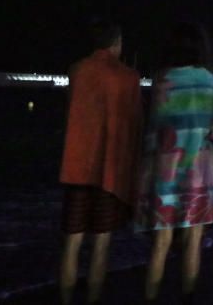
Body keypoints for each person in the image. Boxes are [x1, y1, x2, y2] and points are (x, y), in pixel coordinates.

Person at [136, 23, 213, 303]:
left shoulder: (162, 78)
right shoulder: (209, 80)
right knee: (192, 242)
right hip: (200, 168)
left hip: (165, 168)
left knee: (161, 244)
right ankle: (188, 297)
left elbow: (153, 128)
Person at [58, 21, 143, 304]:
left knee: (72, 243)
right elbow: (134, 126)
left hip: (76, 168)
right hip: (109, 170)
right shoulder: (129, 77)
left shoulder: (77, 70)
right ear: (116, 42)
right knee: (101, 246)